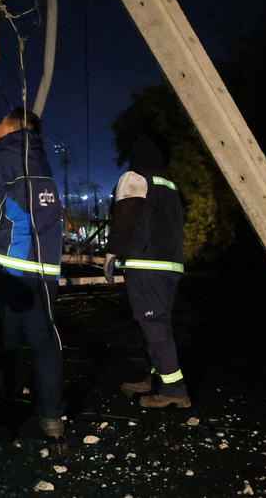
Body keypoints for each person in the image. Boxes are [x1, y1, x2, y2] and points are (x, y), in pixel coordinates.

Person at [0, 108, 66, 440]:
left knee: (3, 345)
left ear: (9, 130)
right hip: (45, 271)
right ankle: (53, 419)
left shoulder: (2, 160)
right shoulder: (40, 161)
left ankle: (2, 422)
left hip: (9, 269)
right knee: (45, 345)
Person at [104, 131, 191, 408]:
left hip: (146, 264)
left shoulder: (136, 177)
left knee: (154, 325)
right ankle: (155, 379)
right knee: (156, 323)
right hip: (171, 266)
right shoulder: (171, 185)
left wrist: (111, 253)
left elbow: (124, 217)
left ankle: (174, 391)